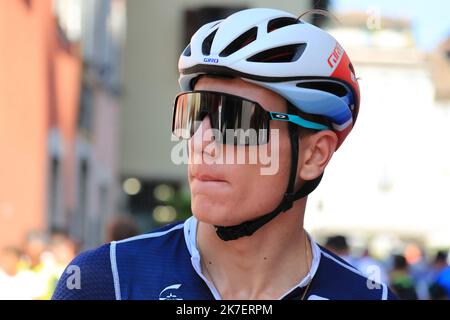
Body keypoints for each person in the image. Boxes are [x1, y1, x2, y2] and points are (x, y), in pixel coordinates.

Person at [53, 8, 396, 300]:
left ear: (314, 156)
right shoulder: (103, 282)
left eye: (234, 119)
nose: (201, 139)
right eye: (193, 113)